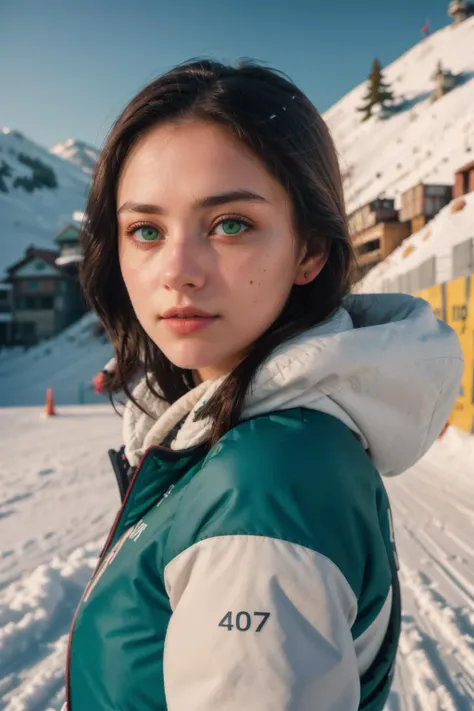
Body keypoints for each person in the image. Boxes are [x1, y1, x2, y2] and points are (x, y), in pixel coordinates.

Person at [66, 59, 463, 711]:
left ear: (309, 249)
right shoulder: (254, 442)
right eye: (146, 230)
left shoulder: (265, 486)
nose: (177, 270)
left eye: (229, 224)